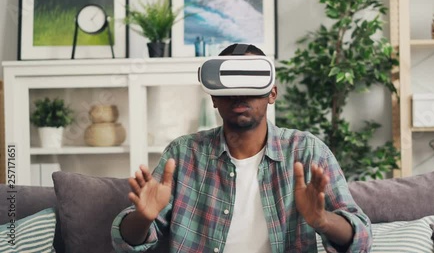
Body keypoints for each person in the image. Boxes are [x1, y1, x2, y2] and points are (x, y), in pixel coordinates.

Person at [111, 44, 372, 253]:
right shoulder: (184, 154)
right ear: (213, 97)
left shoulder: (307, 151)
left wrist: (323, 220)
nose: (239, 94)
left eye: (250, 82)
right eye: (229, 85)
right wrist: (144, 218)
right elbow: (126, 243)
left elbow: (361, 238)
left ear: (272, 93)